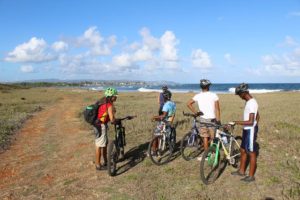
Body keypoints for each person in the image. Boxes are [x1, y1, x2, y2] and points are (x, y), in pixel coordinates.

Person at [230, 83, 259, 183]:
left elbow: (251, 121)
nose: (239, 97)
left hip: (250, 129)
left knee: (251, 152)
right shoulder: (248, 102)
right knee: (242, 150)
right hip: (247, 129)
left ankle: (251, 176)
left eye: (239, 94)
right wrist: (255, 123)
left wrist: (235, 122)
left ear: (244, 93)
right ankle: (241, 171)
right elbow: (257, 115)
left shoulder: (252, 103)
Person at [187, 79, 221, 154]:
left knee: (205, 137)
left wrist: (196, 112)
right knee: (212, 137)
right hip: (212, 119)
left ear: (201, 87)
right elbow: (217, 109)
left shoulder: (198, 96)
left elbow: (188, 103)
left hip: (202, 119)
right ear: (208, 86)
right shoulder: (214, 95)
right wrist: (218, 120)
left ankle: (207, 154)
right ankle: (213, 153)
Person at [94, 87, 118, 170]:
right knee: (99, 145)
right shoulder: (109, 105)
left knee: (102, 144)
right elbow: (112, 119)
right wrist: (115, 121)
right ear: (111, 96)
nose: (116, 97)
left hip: (97, 125)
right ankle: (98, 165)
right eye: (115, 95)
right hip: (101, 126)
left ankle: (105, 162)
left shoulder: (102, 102)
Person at [151, 90, 176, 155]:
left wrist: (155, 117)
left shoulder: (166, 105)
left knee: (155, 135)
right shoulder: (173, 103)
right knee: (162, 135)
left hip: (164, 122)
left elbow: (164, 115)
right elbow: (173, 114)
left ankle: (154, 151)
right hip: (170, 122)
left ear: (164, 97)